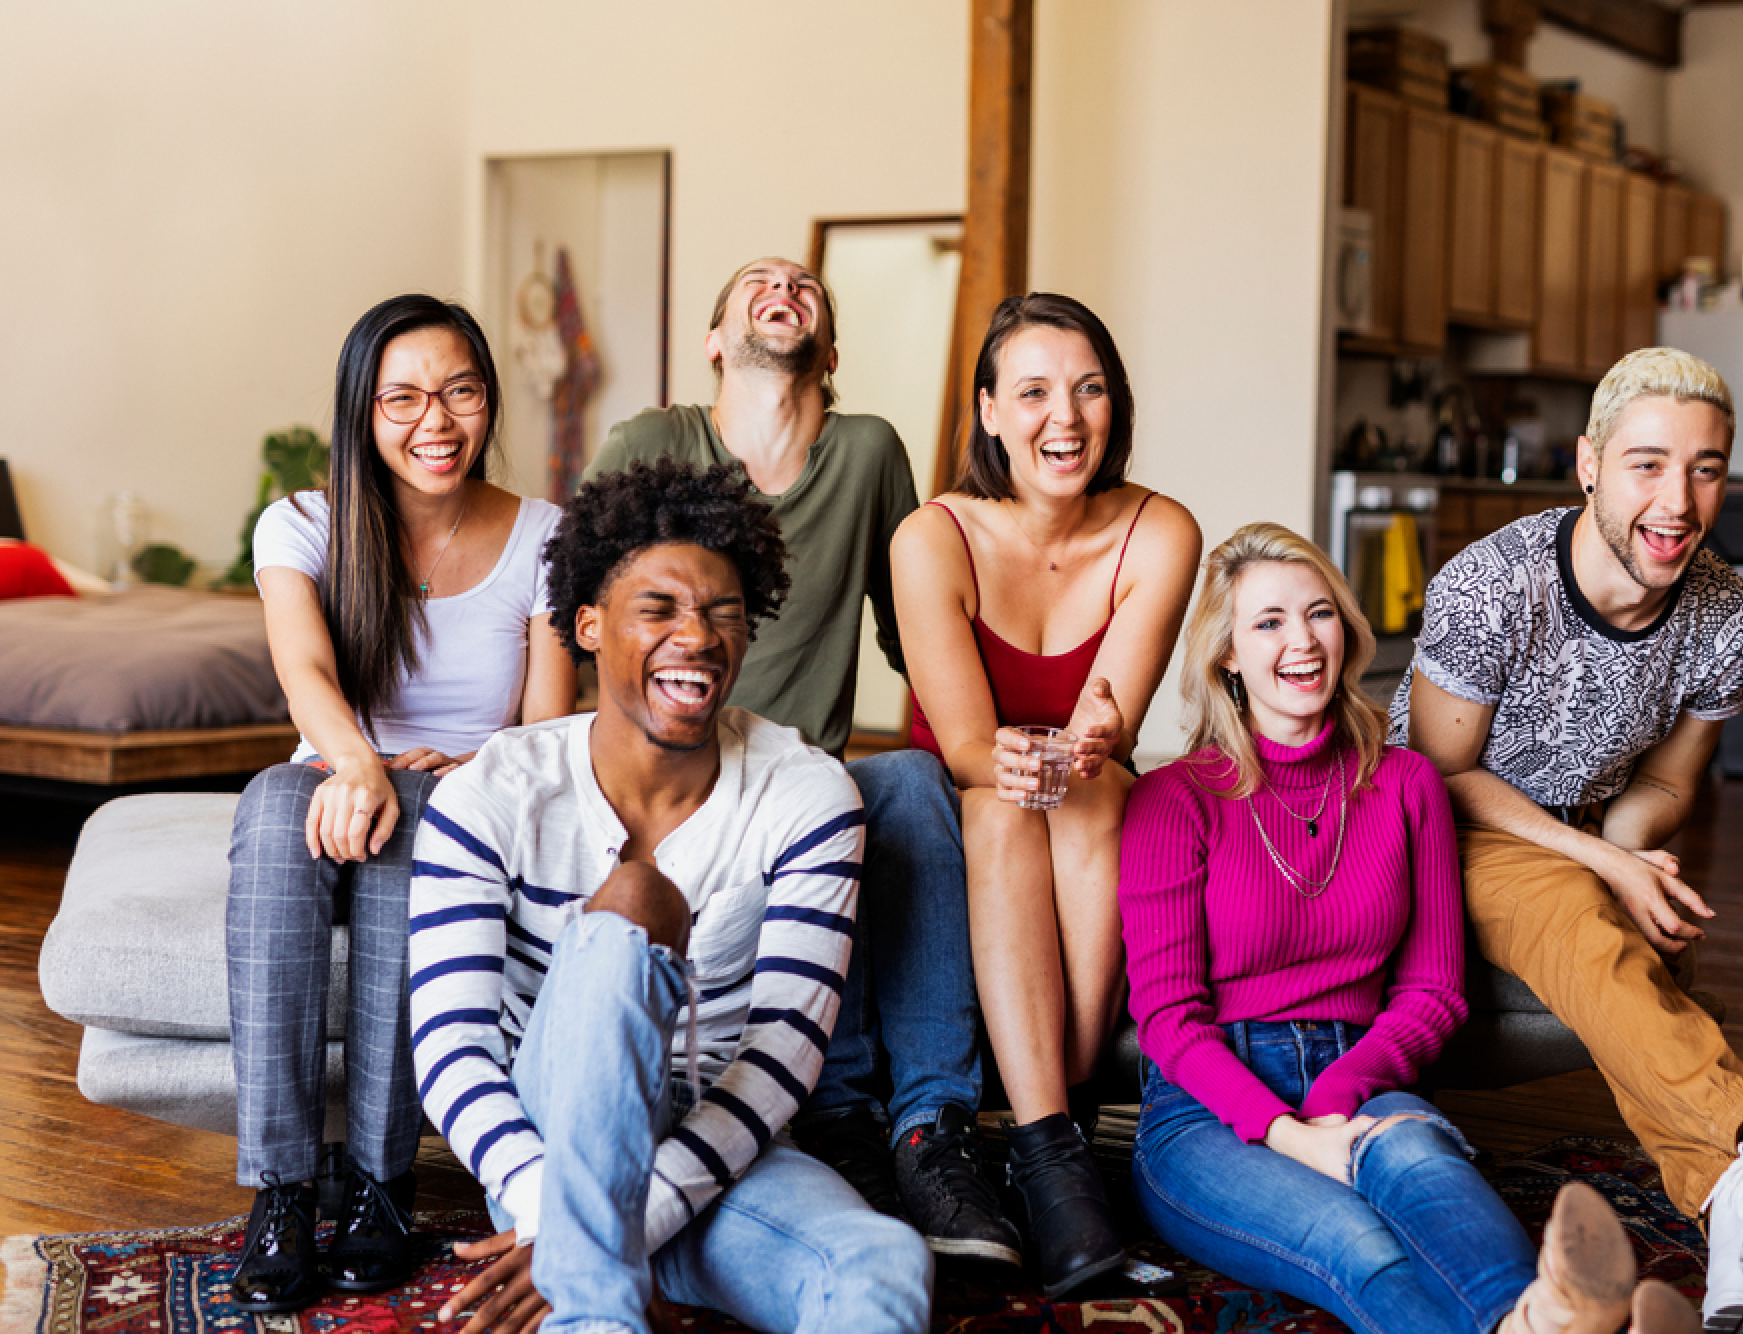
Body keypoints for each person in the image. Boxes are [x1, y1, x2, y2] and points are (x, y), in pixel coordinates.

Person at [1393, 347, 1743, 1333]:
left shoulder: (1729, 618)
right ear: (1587, 465)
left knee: (1651, 931)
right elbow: (1436, 772)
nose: (1676, 497)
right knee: (1576, 903)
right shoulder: (1492, 585)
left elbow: (1661, 784)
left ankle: (1731, 1218)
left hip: (1569, 831)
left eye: (1703, 467)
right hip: (1432, 827)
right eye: (1645, 463)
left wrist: (1629, 851)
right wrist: (1601, 862)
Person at [1119, 522, 1698, 1334]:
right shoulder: (1171, 801)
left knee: (1421, 1167)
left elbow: (1433, 992)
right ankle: (1541, 1323)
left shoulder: (1405, 783)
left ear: (1348, 630)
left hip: (1365, 1072)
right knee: (1358, 1245)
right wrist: (1293, 1133)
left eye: (1319, 614)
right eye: (1269, 622)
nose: (1302, 641)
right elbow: (1170, 1022)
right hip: (1206, 1110)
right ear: (1227, 656)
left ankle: (1539, 1320)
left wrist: (1340, 1093)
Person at [410, 458, 933, 1334]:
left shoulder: (805, 793)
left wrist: (594, 1234)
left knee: (883, 1262)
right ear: (588, 625)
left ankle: (585, 1284)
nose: (696, 636)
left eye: (723, 612)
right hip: (553, 1152)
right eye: (658, 609)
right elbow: (451, 1048)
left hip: (720, 1150)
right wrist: (556, 1205)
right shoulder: (492, 791)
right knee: (638, 904)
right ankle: (595, 1320)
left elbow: (781, 1057)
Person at [583, 257, 1013, 1265]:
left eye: (806, 284)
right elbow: (582, 619)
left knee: (905, 783)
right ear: (714, 341)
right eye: (755, 280)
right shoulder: (653, 441)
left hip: (809, 779)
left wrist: (1000, 744)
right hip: (678, 782)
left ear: (829, 350)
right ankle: (837, 1123)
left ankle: (929, 1134)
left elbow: (917, 634)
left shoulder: (866, 453)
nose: (785, 282)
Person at [225, 294, 578, 1311]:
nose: (437, 420)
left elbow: (542, 728)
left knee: (413, 814)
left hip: (468, 796)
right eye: (405, 398)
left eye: (460, 391)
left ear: (488, 397)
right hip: (329, 787)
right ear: (363, 411)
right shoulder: (300, 523)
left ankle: (381, 1181)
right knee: (263, 801)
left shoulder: (545, 534)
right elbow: (303, 671)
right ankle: (284, 1189)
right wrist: (362, 763)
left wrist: (441, 771)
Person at [892, 292, 1202, 1296]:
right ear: (986, 410)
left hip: (1084, 790)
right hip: (962, 794)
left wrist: (1098, 728)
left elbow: (1107, 719)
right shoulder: (929, 537)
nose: (1062, 419)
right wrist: (1015, 763)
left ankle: (1043, 1131)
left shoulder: (1159, 530)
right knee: (1000, 802)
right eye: (1030, 392)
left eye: (1087, 390)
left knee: (1092, 789)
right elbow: (968, 744)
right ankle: (1053, 1151)